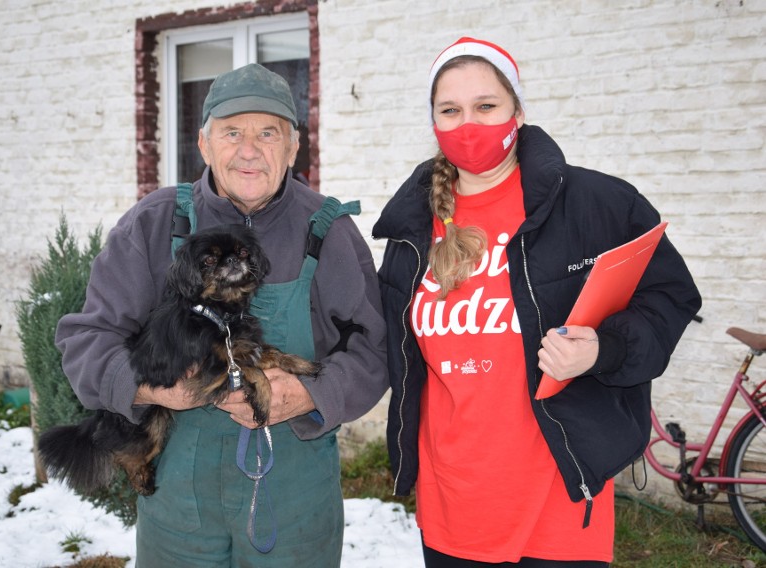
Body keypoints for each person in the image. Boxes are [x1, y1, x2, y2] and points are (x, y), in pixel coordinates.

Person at [373, 37, 701, 567]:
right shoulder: (412, 226)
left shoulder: (597, 204)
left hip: (558, 503)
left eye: (486, 107)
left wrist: (605, 348)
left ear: (518, 111)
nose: (468, 125)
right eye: (449, 111)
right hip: (451, 501)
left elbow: (670, 295)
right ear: (432, 122)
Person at [56, 63, 388, 567]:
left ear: (294, 148)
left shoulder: (329, 230)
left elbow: (375, 348)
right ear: (204, 144)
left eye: (267, 133)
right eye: (232, 132)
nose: (249, 149)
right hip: (179, 502)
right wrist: (148, 387)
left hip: (294, 498)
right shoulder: (154, 222)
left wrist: (310, 393)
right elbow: (87, 338)